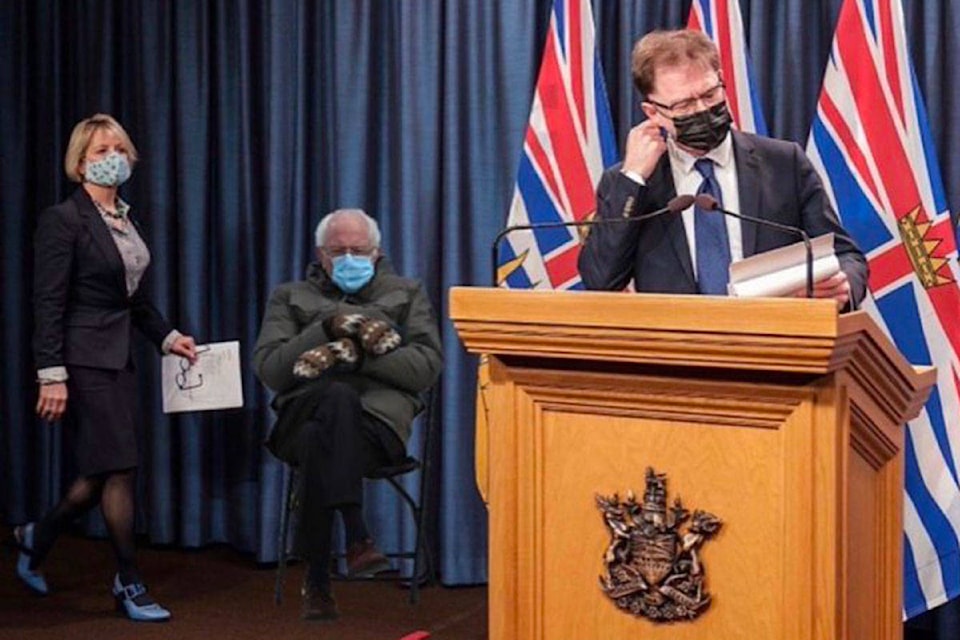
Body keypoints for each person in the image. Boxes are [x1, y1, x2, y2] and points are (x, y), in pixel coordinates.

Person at [14, 114, 198, 622]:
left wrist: (168, 337)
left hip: (119, 358)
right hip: (81, 359)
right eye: (99, 150)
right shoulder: (64, 220)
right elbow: (47, 302)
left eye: (118, 147)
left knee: (100, 471)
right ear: (79, 163)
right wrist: (51, 374)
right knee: (121, 465)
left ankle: (38, 535)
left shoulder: (126, 220)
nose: (111, 156)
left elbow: (133, 302)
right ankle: (128, 580)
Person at [578, 29, 868, 309]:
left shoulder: (783, 163)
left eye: (709, 94)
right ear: (653, 113)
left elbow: (845, 255)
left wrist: (844, 287)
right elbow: (601, 280)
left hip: (774, 344)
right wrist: (634, 179)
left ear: (721, 80)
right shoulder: (629, 183)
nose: (701, 110)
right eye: (684, 105)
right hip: (677, 349)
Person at [253, 208, 442, 622]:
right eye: (339, 251)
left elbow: (426, 367)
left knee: (327, 421)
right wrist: (325, 328)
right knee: (332, 405)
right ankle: (356, 533)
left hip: (376, 431)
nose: (349, 258)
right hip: (298, 417)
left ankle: (318, 582)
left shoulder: (406, 293)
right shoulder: (290, 296)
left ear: (376, 253)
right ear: (322, 255)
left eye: (359, 250)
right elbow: (270, 369)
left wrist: (353, 358)